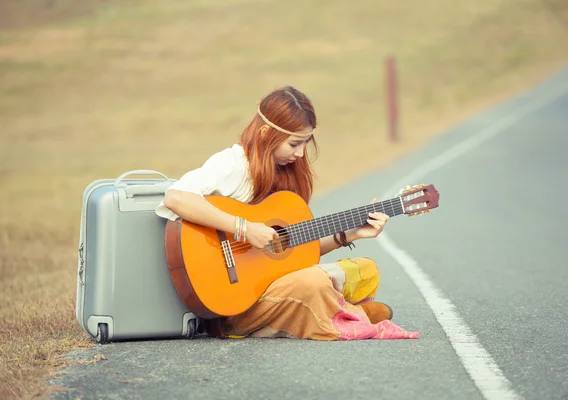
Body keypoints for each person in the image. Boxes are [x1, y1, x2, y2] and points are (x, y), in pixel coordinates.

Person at [155, 85, 418, 340]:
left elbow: (295, 253)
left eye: (305, 143)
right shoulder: (233, 164)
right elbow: (176, 197)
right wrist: (244, 228)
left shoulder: (286, 176)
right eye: (294, 144)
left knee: (366, 268)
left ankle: (327, 315)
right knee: (314, 282)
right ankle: (348, 314)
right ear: (267, 132)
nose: (301, 153)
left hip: (276, 288)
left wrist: (349, 235)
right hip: (234, 304)